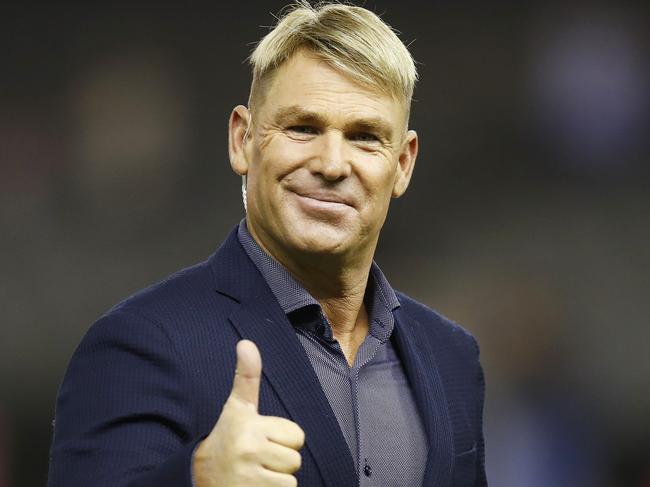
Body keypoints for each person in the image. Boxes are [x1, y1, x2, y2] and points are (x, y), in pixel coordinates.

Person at [48, 2, 487, 486]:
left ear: (402, 164)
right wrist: (197, 478)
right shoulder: (141, 345)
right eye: (303, 128)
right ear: (243, 139)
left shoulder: (452, 358)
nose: (333, 164)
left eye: (364, 137)